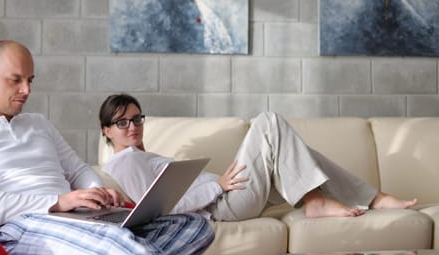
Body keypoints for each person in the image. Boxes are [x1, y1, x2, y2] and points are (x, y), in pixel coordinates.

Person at [0, 40, 231, 255]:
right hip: (20, 229)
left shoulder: (39, 124)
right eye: (15, 80)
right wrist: (57, 202)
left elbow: (77, 171)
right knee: (114, 241)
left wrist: (96, 193)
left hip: (78, 219)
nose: (26, 90)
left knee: (194, 226)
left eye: (31, 79)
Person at [99, 93, 417, 222]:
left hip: (227, 196)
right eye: (122, 122)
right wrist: (220, 186)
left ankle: (371, 199)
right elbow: (162, 208)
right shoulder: (124, 162)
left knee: (301, 154)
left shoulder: (138, 156)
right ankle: (324, 202)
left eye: (137, 119)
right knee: (269, 122)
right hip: (223, 204)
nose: (133, 127)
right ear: (107, 130)